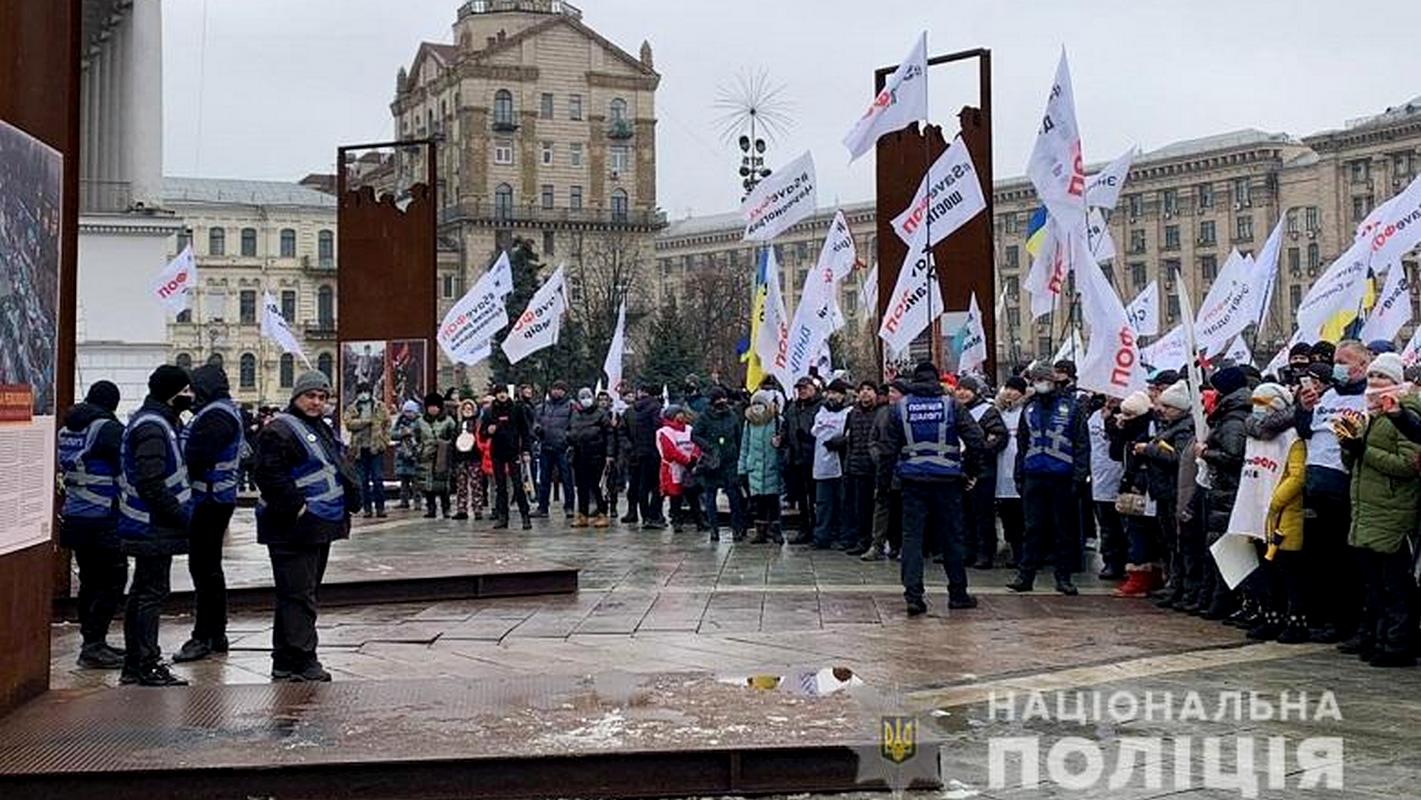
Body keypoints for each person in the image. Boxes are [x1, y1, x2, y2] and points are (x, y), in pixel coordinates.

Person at [252, 370, 360, 682]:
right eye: (310, 396)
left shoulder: (320, 428)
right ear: (296, 397)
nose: (316, 402)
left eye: (322, 397)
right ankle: (302, 659)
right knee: (299, 595)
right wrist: (296, 508)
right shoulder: (281, 430)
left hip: (318, 524)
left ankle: (286, 660)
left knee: (299, 594)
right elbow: (268, 473)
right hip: (292, 527)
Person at [881, 361, 986, 616]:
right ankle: (958, 594)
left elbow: (886, 452)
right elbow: (977, 440)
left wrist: (884, 485)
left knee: (912, 540)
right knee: (952, 539)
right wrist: (970, 471)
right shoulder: (952, 406)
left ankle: (914, 597)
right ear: (937, 379)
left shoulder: (900, 409)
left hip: (912, 483)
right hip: (947, 482)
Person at [1336, 352, 1418, 667]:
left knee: (1395, 584)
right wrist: (1350, 446)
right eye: (1371, 377)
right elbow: (1356, 465)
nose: (1374, 383)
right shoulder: (1370, 415)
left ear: (1398, 382)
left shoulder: (1404, 413)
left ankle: (1398, 644)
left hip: (1393, 510)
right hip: (1368, 510)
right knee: (1375, 584)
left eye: (1382, 377)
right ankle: (1380, 638)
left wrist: (1364, 450)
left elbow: (1408, 465)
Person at [115, 365, 194, 686]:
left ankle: (136, 663)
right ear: (171, 392)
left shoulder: (156, 421)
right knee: (151, 593)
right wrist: (181, 516)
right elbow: (152, 482)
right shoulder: (153, 427)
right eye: (186, 391)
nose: (191, 396)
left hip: (146, 522)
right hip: (153, 524)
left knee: (142, 592)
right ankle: (145, 663)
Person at [1294, 340, 1369, 643]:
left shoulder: (1366, 398)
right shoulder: (1328, 396)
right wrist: (1303, 407)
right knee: (1320, 558)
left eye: (1345, 360)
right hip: (1316, 485)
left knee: (1346, 561)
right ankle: (1327, 619)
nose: (1337, 365)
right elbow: (1305, 430)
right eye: (1336, 359)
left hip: (1345, 487)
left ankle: (1349, 622)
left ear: (1362, 366)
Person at [172, 364, 244, 664]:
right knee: (209, 568)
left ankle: (204, 635)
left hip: (209, 499)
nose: (191, 395)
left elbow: (196, 456)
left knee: (203, 568)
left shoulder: (215, 415)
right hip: (217, 497)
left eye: (194, 389)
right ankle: (216, 633)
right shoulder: (221, 410)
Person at [57, 380, 126, 669]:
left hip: (75, 516)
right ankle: (94, 645)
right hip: (103, 517)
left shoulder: (67, 429)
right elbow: (126, 464)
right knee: (112, 580)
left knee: (89, 580)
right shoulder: (107, 429)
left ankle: (92, 639)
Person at [1009, 363, 1091, 595]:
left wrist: (1079, 477)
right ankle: (1026, 576)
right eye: (1035, 380)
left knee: (1063, 529)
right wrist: (1020, 474)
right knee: (1033, 528)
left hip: (1062, 476)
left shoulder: (1072, 408)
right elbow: (1023, 445)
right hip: (1034, 475)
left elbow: (1082, 445)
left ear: (1054, 381)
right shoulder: (1030, 409)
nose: (1040, 384)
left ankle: (1063, 577)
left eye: (1043, 379)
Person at [1141, 380, 1195, 609]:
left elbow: (1178, 458)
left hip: (1175, 491)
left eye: (1169, 407)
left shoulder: (1183, 430)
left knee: (1178, 542)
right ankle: (1174, 584)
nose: (1163, 410)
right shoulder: (1169, 427)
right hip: (1163, 491)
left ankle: (1181, 587)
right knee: (1169, 542)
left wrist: (1149, 450)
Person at [1108, 391, 1159, 597]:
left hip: (1145, 488)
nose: (1126, 419)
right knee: (1134, 530)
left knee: (1141, 533)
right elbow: (1115, 453)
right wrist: (1118, 431)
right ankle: (1142, 572)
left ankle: (1144, 574)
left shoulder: (1149, 433)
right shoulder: (1129, 433)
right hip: (1132, 484)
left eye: (1130, 415)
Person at [955, 376, 1007, 568]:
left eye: (967, 389)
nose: (962, 393)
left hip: (981, 470)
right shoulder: (955, 410)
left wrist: (980, 450)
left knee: (982, 514)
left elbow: (999, 437)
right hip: (960, 469)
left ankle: (985, 552)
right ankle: (967, 551)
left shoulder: (987, 412)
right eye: (959, 389)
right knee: (963, 514)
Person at [696, 386, 746, 542]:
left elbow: (739, 437)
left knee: (734, 496)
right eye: (718, 399)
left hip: (730, 461)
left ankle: (737, 529)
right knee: (711, 497)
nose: (722, 402)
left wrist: (739, 457)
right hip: (713, 462)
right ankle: (713, 529)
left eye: (723, 398)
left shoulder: (732, 416)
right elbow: (695, 434)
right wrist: (708, 447)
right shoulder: (705, 417)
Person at [481, 385, 533, 530]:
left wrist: (526, 450)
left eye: (504, 392)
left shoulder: (516, 408)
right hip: (497, 452)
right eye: (499, 393)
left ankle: (525, 516)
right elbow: (483, 433)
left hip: (513, 451)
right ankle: (502, 517)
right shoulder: (489, 411)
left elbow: (525, 431)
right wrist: (488, 431)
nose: (502, 395)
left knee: (517, 484)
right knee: (500, 486)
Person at [1088, 396, 1128, 580]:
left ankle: (1125, 562)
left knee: (1122, 525)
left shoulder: (1129, 417)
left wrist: (1113, 423)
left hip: (1121, 477)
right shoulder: (1094, 416)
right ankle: (1110, 560)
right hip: (1099, 478)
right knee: (1106, 524)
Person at [810, 379, 853, 550]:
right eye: (830, 392)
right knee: (823, 504)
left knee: (843, 503)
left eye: (836, 393)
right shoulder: (820, 412)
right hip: (821, 464)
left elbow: (852, 435)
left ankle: (844, 536)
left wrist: (841, 442)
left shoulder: (849, 412)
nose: (832, 396)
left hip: (841, 464)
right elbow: (815, 432)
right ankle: (822, 536)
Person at [739, 389, 784, 544]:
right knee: (758, 503)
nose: (757, 407)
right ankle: (761, 532)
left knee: (773, 501)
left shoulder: (777, 420)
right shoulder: (749, 423)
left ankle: (776, 530)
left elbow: (784, 441)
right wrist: (742, 468)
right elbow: (744, 446)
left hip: (772, 467)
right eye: (755, 404)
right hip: (755, 468)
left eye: (760, 403)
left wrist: (780, 442)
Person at [780, 377, 821, 544]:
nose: (802, 391)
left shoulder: (820, 407)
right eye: (800, 388)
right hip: (796, 459)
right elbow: (786, 428)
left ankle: (817, 529)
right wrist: (782, 439)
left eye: (805, 388)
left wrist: (809, 437)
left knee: (816, 497)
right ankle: (804, 528)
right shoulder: (792, 408)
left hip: (814, 458)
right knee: (801, 498)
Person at [341, 380, 390, 519]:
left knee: (378, 479)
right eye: (361, 392)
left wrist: (384, 441)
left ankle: (380, 508)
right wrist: (364, 422)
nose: (363, 395)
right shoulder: (353, 407)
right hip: (359, 449)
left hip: (376, 448)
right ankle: (367, 508)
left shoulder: (379, 406)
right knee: (362, 481)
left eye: (366, 392)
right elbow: (349, 423)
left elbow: (387, 423)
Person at [843, 382, 881, 557]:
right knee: (860, 507)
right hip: (857, 466)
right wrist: (848, 465)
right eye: (862, 390)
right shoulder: (853, 414)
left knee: (877, 508)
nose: (865, 394)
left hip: (876, 467)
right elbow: (849, 441)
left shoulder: (882, 412)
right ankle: (861, 539)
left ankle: (878, 542)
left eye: (869, 390)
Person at [993, 377, 1028, 569]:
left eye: (1015, 390)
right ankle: (1014, 550)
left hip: (1021, 471)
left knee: (1022, 515)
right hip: (1002, 470)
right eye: (1008, 388)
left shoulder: (1027, 412)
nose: (1010, 393)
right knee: (1008, 515)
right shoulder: (999, 414)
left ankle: (1025, 553)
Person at [568, 387, 613, 527]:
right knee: (581, 486)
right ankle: (583, 514)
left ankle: (602, 513)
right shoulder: (575, 413)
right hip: (579, 454)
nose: (585, 399)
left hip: (597, 455)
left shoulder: (600, 414)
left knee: (597, 486)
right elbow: (569, 430)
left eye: (587, 396)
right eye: (582, 397)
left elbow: (610, 434)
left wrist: (609, 454)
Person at [533, 382, 576, 519]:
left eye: (560, 390)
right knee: (544, 479)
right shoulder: (542, 407)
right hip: (546, 446)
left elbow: (574, 426)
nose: (556, 392)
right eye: (554, 389)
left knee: (567, 479)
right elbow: (535, 423)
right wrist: (537, 429)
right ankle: (543, 507)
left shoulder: (571, 406)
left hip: (562, 448)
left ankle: (569, 507)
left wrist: (566, 438)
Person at [657, 405, 702, 532]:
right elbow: (669, 452)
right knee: (675, 496)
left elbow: (697, 444)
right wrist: (686, 461)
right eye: (678, 414)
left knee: (693, 495)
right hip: (673, 468)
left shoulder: (689, 429)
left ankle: (699, 521)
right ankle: (677, 521)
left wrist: (693, 458)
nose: (681, 416)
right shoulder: (664, 432)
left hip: (689, 467)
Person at [631, 384, 666, 528]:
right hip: (654, 451)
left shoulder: (638, 408)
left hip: (640, 450)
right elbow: (657, 427)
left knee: (643, 485)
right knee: (657, 485)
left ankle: (644, 515)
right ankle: (653, 515)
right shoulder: (655, 407)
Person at [417, 392, 456, 518]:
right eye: (430, 406)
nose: (433, 409)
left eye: (435, 406)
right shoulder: (420, 422)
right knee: (428, 486)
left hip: (441, 457)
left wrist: (445, 445)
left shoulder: (448, 421)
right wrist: (419, 449)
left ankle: (446, 508)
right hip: (426, 457)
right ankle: (431, 508)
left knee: (443, 485)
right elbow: (415, 437)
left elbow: (454, 437)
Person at [451, 395, 485, 521]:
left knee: (476, 484)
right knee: (461, 485)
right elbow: (454, 440)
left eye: (469, 409)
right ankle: (461, 509)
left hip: (474, 457)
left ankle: (477, 509)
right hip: (461, 457)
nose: (467, 411)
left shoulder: (477, 424)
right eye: (465, 409)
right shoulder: (458, 425)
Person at [392, 400, 422, 509]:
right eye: (406, 411)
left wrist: (411, 433)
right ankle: (404, 501)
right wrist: (401, 434)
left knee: (416, 482)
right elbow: (392, 434)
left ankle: (417, 502)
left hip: (414, 454)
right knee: (403, 482)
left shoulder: (419, 422)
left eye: (411, 412)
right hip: (402, 455)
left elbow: (422, 435)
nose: (408, 414)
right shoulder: (400, 422)